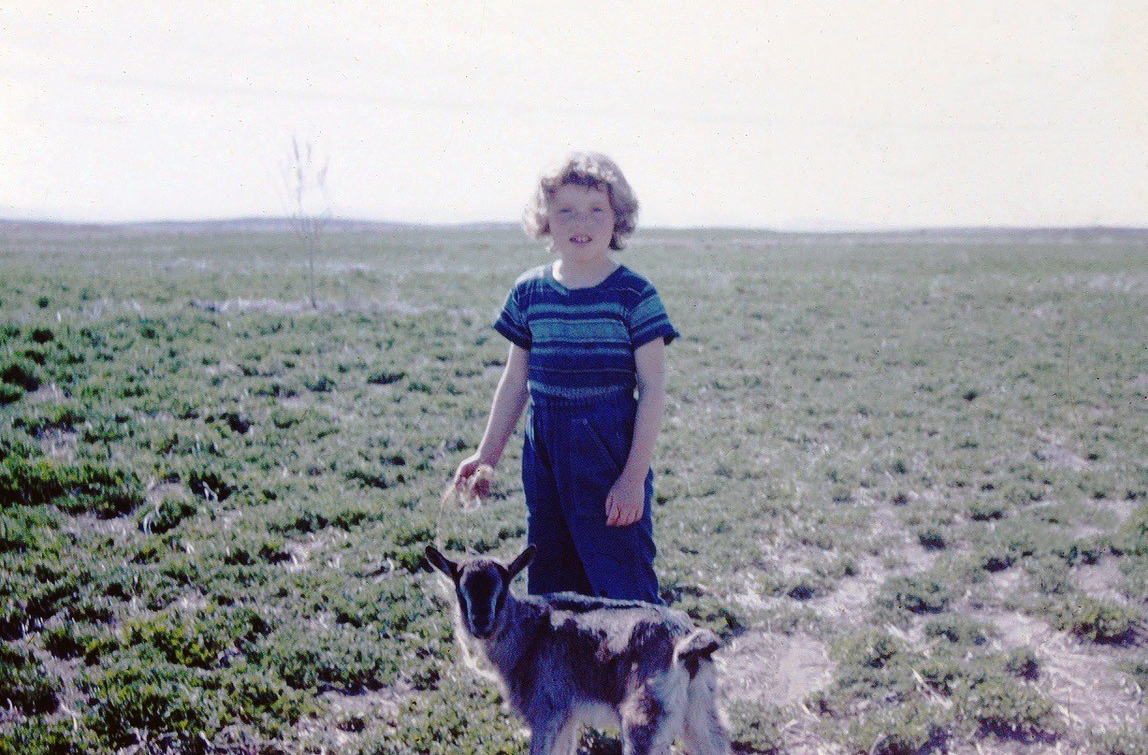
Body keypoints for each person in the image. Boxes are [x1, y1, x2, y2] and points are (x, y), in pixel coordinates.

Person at [452, 152, 679, 604]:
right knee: (553, 583)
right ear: (545, 221)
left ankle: (647, 652)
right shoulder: (530, 292)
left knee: (621, 579)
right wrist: (486, 455)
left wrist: (633, 478)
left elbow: (653, 390)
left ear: (618, 219)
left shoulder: (634, 295)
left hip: (608, 453)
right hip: (545, 453)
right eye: (566, 211)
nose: (582, 223)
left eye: (597, 210)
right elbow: (515, 381)